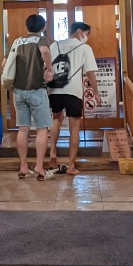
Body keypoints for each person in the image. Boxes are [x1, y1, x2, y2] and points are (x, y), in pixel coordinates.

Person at [48, 21, 100, 176]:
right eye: (87, 33)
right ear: (80, 32)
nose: (87, 37)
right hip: (74, 91)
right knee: (74, 127)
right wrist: (96, 93)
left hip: (54, 89)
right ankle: (71, 166)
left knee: (56, 119)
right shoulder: (85, 48)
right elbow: (90, 73)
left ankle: (52, 153)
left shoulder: (55, 45)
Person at [5, 13, 54, 180]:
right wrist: (49, 69)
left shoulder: (17, 41)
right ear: (42, 27)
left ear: (27, 27)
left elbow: (5, 63)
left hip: (18, 91)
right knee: (42, 129)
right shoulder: (42, 39)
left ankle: (23, 165)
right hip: (37, 90)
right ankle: (39, 166)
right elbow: (45, 51)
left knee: (23, 128)